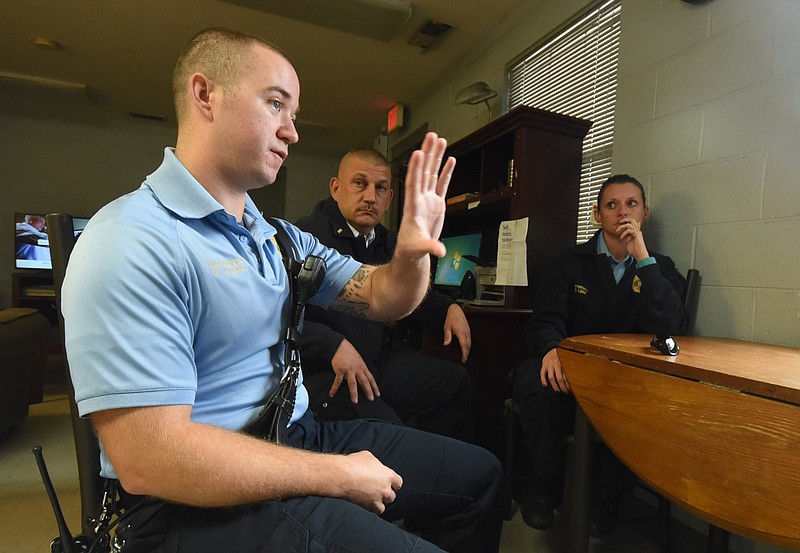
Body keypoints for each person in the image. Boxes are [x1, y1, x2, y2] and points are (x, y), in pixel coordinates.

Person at [61, 28, 505, 553]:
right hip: (187, 505)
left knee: (482, 477)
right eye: (276, 104)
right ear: (206, 95)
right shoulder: (132, 238)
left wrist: (410, 253)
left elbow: (384, 296)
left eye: (293, 114)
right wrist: (334, 476)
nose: (292, 133)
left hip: (294, 434)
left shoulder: (277, 239)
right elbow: (149, 460)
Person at [512, 174, 688, 533]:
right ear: (597, 215)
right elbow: (545, 319)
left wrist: (642, 258)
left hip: (625, 376)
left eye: (631, 204)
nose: (622, 212)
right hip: (569, 365)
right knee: (537, 383)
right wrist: (552, 349)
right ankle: (542, 487)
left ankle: (605, 503)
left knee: (641, 404)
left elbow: (671, 324)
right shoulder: (569, 262)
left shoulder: (661, 267)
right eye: (612, 205)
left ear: (645, 214)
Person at [295, 148, 475, 442]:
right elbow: (280, 312)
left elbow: (406, 290)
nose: (370, 197)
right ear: (336, 189)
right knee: (396, 437)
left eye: (380, 188)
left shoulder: (386, 240)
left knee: (454, 384)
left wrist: (448, 308)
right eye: (359, 184)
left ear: (390, 198)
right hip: (325, 370)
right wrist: (332, 344)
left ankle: (445, 473)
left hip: (377, 359)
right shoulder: (306, 239)